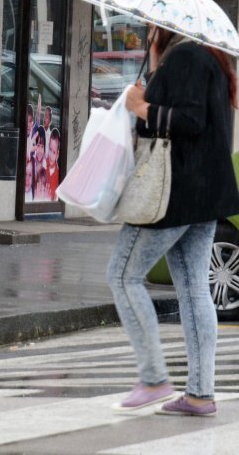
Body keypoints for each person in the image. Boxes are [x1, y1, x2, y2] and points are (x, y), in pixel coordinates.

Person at [108, 24, 239, 416]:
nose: (147, 32)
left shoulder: (184, 58)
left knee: (122, 275)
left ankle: (153, 378)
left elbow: (190, 122)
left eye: (150, 27)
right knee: (195, 289)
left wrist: (141, 108)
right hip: (203, 196)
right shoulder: (210, 60)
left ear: (165, 28)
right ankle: (199, 394)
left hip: (171, 193)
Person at [46, 128, 60, 201]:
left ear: (57, 154)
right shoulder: (43, 165)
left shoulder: (59, 174)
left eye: (54, 152)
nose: (51, 155)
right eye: (50, 149)